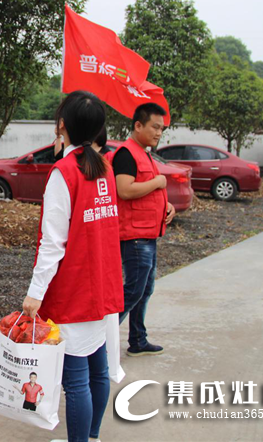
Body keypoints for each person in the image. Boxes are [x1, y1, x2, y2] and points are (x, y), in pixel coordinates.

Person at [23, 91, 124, 442]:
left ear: (61, 125)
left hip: (73, 289)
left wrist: (35, 293)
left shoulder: (63, 172)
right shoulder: (105, 167)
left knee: (76, 379)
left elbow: (52, 243)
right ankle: (92, 436)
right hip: (102, 283)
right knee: (98, 367)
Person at [110, 103, 175, 357]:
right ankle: (96, 340)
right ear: (138, 126)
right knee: (133, 290)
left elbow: (147, 192)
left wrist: (166, 205)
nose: (159, 133)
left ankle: (138, 339)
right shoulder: (127, 153)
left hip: (148, 233)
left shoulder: (144, 153)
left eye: (162, 128)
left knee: (145, 289)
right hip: (135, 236)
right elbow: (125, 190)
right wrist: (158, 181)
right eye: (155, 127)